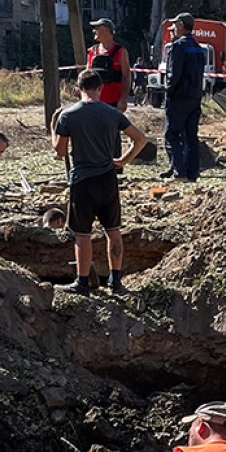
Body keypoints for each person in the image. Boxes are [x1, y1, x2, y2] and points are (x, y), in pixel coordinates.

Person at [51, 69, 147, 294]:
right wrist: (122, 161)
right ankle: (116, 281)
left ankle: (82, 282)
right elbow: (140, 139)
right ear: (100, 88)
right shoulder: (112, 113)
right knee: (113, 231)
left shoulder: (68, 115)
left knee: (82, 234)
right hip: (107, 179)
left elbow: (60, 151)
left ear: (78, 90)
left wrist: (53, 130)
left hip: (83, 181)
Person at [162, 12, 207, 182]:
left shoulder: (178, 46)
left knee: (172, 135)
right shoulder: (197, 47)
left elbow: (174, 74)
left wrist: (168, 90)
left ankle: (179, 172)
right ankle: (191, 173)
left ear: (181, 25)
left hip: (179, 97)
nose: (172, 28)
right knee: (191, 136)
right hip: (194, 97)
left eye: (175, 24)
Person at [86, 18, 131, 112]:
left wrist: (123, 99)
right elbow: (87, 76)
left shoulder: (121, 52)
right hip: (94, 101)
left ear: (107, 30)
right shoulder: (92, 51)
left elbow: (126, 76)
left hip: (114, 102)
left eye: (97, 28)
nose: (94, 31)